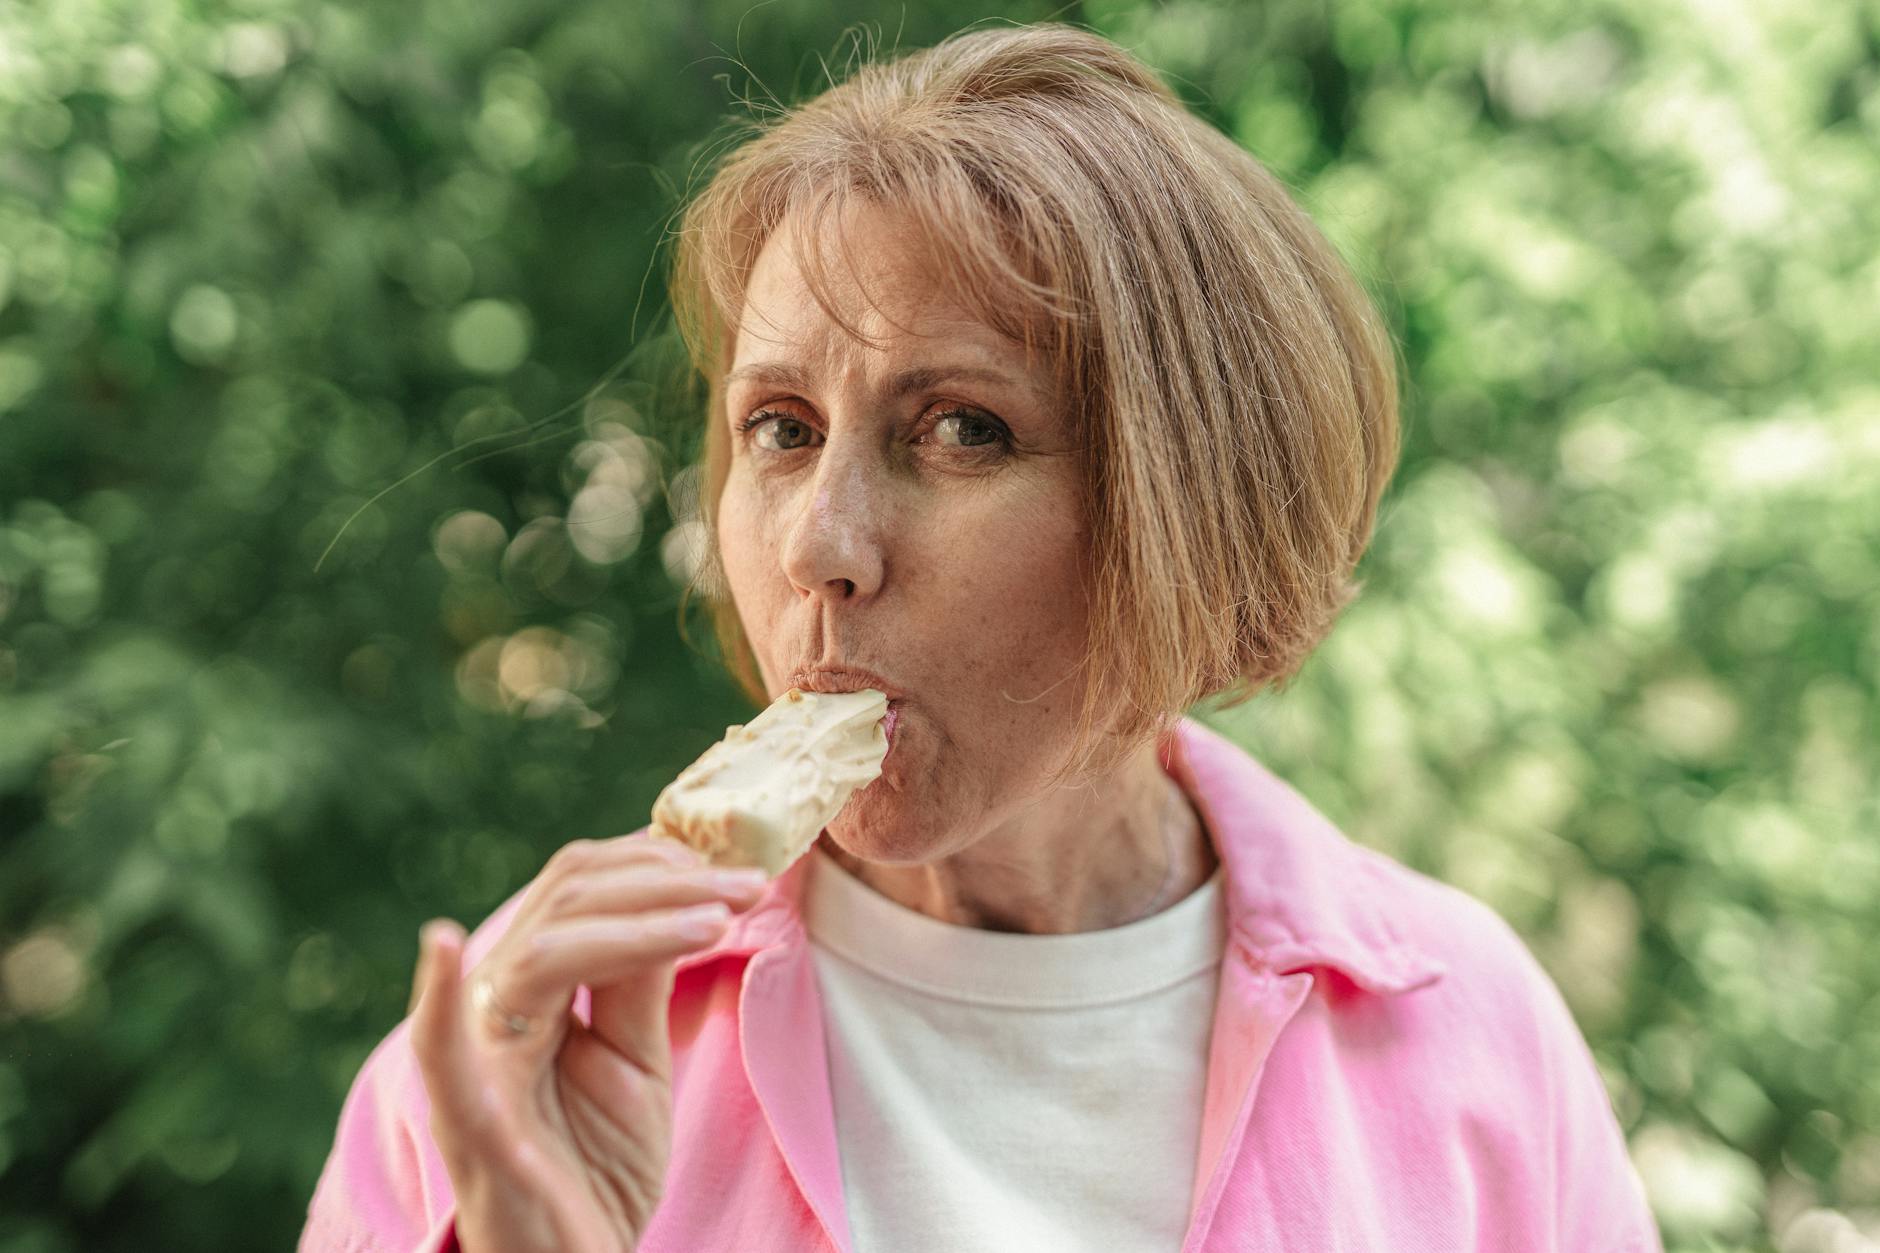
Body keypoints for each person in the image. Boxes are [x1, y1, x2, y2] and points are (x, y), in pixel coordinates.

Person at [299, 21, 1663, 1253]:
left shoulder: (1468, 1033)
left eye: (962, 428)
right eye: (781, 427)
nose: (818, 546)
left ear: (1195, 510)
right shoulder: (502, 1051)